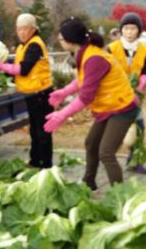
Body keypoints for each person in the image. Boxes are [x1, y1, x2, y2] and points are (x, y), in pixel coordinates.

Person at [44, 17, 139, 190]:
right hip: (107, 107)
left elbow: (85, 97)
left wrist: (62, 114)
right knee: (91, 143)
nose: (59, 42)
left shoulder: (93, 58)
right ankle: (89, 183)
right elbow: (83, 80)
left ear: (70, 41)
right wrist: (64, 92)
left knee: (106, 153)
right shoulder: (84, 52)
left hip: (122, 108)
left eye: (60, 39)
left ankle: (121, 196)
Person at [0, 13, 54, 168]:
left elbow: (23, 69)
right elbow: (18, 63)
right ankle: (35, 161)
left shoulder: (34, 45)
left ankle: (46, 165)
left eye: (25, 29)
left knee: (42, 132)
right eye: (19, 29)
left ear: (33, 29)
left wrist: (0, 66)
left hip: (41, 94)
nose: (22, 32)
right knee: (35, 131)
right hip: (32, 95)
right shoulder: (23, 46)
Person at [107, 12, 146, 174]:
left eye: (133, 28)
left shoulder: (145, 49)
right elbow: (104, 72)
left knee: (139, 127)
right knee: (108, 127)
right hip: (114, 96)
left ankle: (134, 160)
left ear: (138, 31)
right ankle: (104, 157)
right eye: (126, 28)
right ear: (121, 30)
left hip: (135, 96)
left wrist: (141, 84)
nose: (129, 32)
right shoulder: (111, 48)